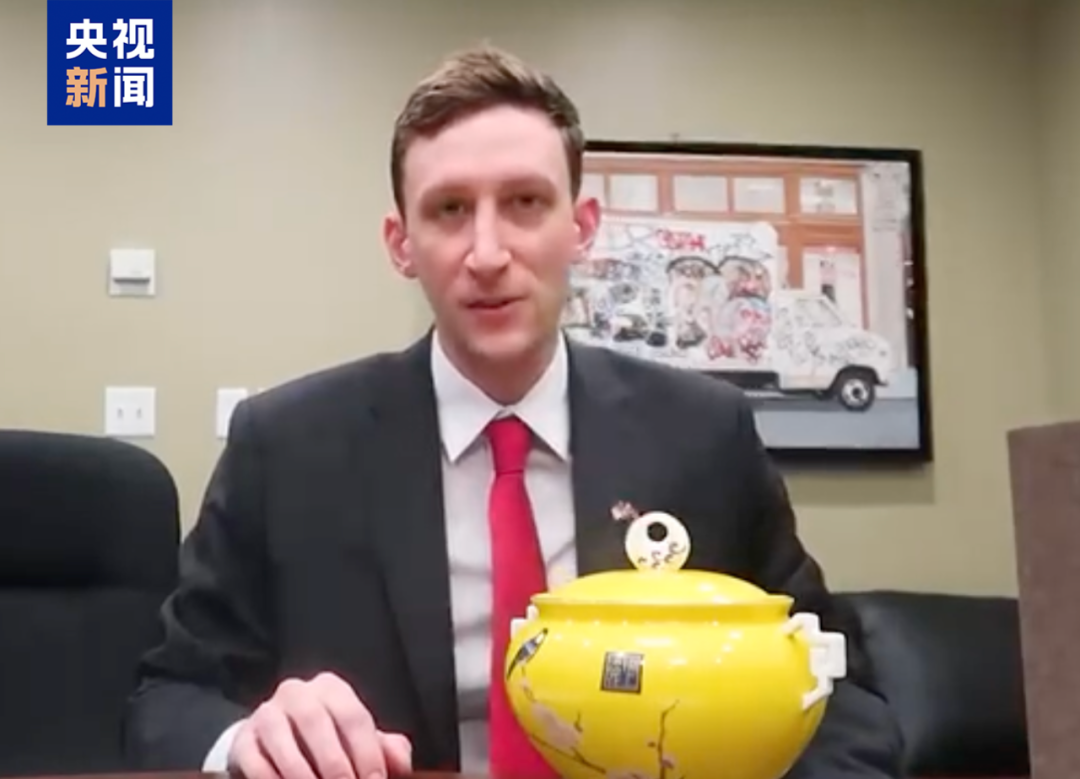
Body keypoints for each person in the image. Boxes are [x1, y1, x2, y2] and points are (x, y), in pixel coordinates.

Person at [124, 44, 904, 779]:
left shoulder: (705, 435)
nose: (489, 253)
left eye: (526, 202)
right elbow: (167, 699)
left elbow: (841, 695)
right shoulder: (286, 447)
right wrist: (247, 741)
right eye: (449, 209)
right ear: (401, 243)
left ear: (581, 227)